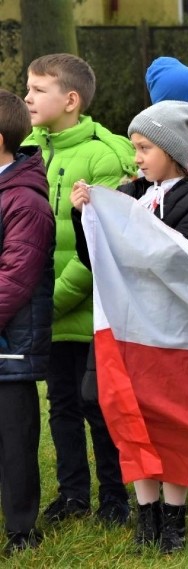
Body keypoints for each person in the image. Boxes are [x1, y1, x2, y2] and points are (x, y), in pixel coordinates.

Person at [70, 100, 188, 553]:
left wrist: (121, 223)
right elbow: (99, 261)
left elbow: (171, 259)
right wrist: (86, 219)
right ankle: (147, 514)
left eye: (144, 147)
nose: (136, 157)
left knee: (170, 420)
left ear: (173, 149)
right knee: (129, 414)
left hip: (173, 334)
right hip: (128, 331)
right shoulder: (131, 193)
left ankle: (174, 517)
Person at [22, 52, 136, 526]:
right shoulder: (27, 148)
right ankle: (73, 497)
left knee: (99, 407)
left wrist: (49, 300)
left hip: (87, 312)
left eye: (38, 89)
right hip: (45, 310)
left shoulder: (103, 156)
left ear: (70, 100)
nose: (26, 97)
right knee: (61, 405)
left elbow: (99, 246)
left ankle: (115, 499)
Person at [0, 89, 55, 555]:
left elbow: (15, 278)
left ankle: (21, 529)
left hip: (9, 345)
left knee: (15, 441)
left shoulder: (25, 201)